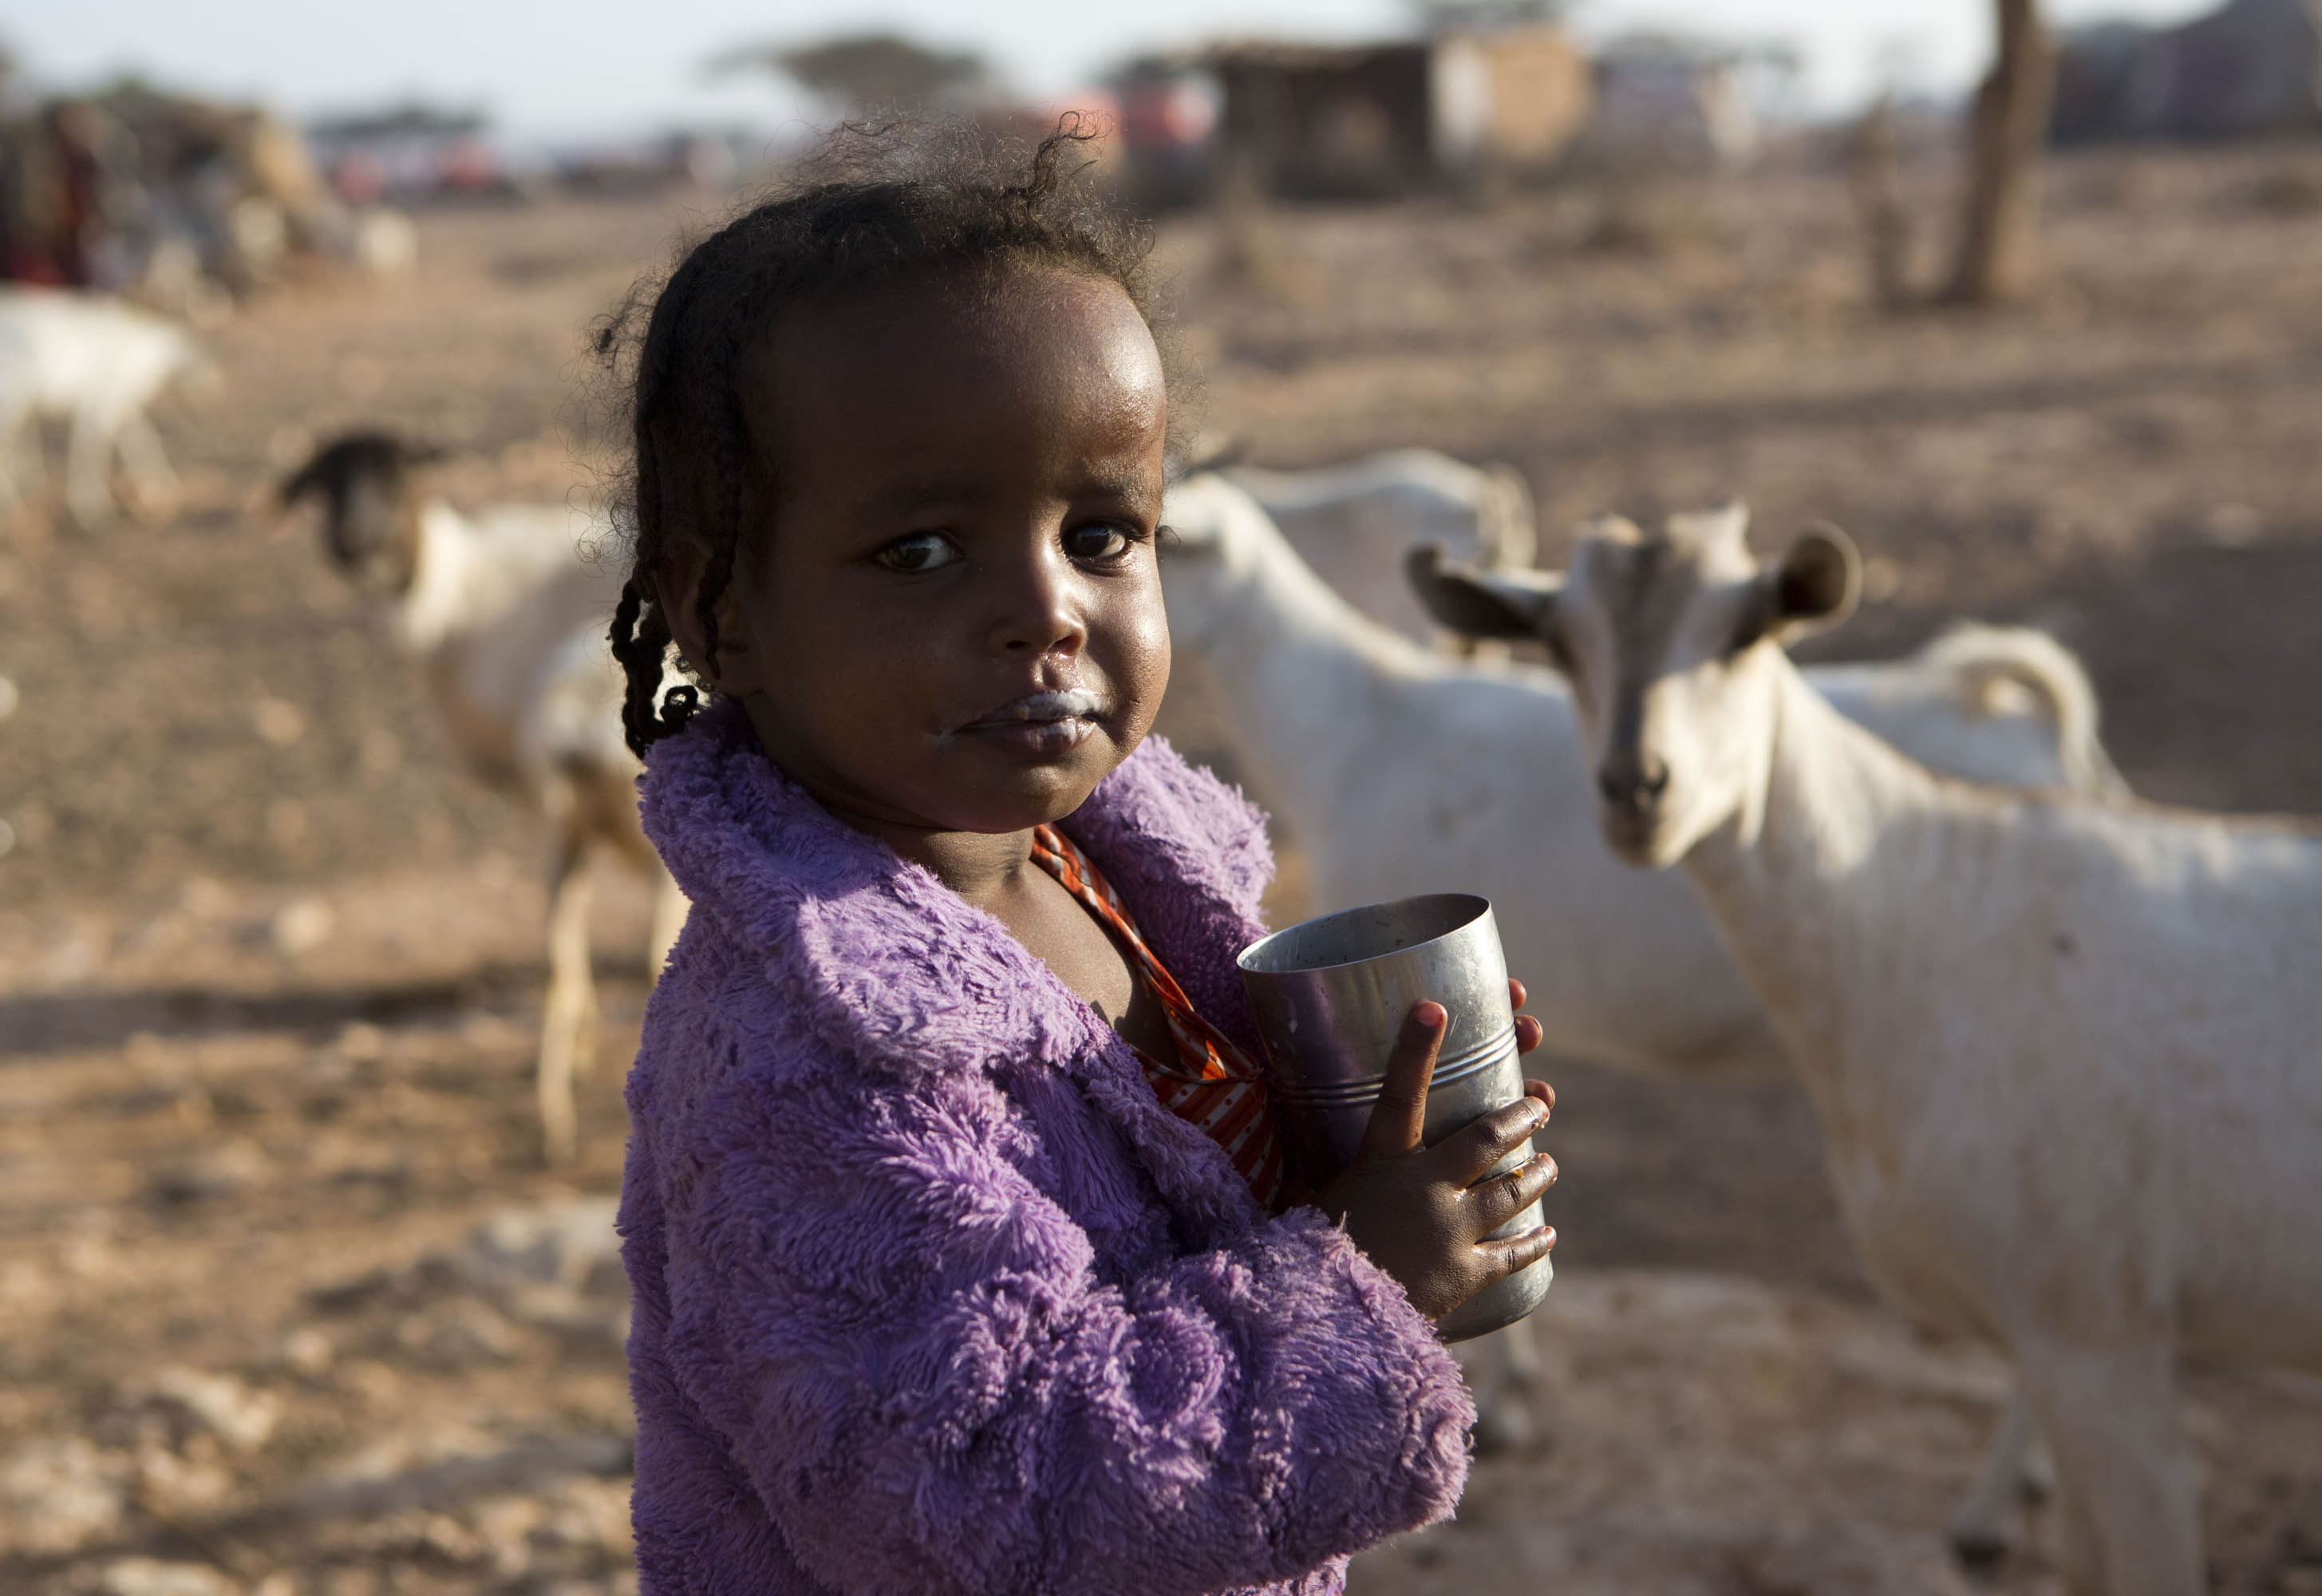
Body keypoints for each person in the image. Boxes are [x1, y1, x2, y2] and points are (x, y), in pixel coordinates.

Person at [603, 123, 1559, 1596]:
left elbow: (1171, 1227)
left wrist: (1364, 1161)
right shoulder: (800, 1067)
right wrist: (1356, 1282)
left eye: (1103, 533)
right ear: (719, 615)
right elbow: (978, 1509)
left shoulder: (1111, 880)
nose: (1047, 610)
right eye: (922, 550)